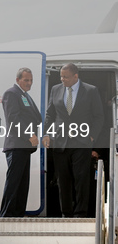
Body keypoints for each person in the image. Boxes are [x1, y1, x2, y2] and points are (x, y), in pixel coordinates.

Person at [42, 63, 104, 218]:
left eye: (66, 77)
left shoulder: (90, 90)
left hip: (82, 142)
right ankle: (66, 213)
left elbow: (99, 116)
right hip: (61, 141)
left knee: (81, 179)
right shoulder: (56, 89)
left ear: (76, 76)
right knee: (63, 180)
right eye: (61, 76)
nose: (62, 79)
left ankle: (80, 213)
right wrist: (45, 133)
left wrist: (92, 136)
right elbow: (50, 114)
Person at [0, 68, 42, 217]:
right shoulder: (12, 93)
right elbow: (13, 119)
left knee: (23, 184)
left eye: (31, 80)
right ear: (18, 80)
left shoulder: (25, 95)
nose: (29, 83)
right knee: (14, 182)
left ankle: (18, 215)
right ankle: (7, 216)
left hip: (24, 147)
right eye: (26, 80)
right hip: (17, 145)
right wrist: (29, 135)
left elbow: (36, 117)